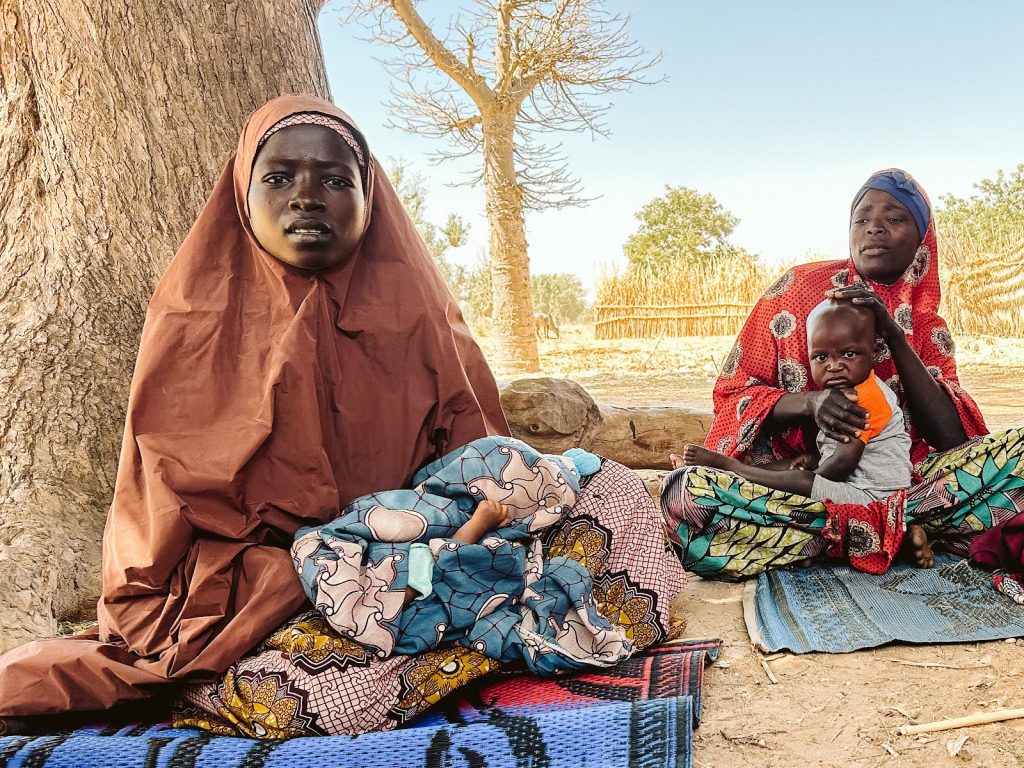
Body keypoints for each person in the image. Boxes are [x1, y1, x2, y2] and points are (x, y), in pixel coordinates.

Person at [0, 96, 685, 739]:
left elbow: (481, 464)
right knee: (310, 689)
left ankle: (461, 628)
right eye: (279, 177)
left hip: (421, 553)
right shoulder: (192, 322)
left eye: (334, 180)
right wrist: (325, 564)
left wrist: (456, 546)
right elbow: (154, 520)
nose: (306, 196)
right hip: (279, 591)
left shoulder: (418, 310)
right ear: (243, 195)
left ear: (369, 197)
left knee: (615, 491)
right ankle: (465, 640)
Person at [661, 168, 1024, 580]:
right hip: (801, 488)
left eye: (895, 218)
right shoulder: (795, 292)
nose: (875, 229)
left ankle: (846, 536)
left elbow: (952, 439)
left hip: (916, 491)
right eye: (863, 219)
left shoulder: (926, 328)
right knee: (686, 495)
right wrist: (809, 403)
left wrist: (892, 334)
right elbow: (733, 395)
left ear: (922, 241)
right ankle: (888, 535)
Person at [291, 437, 633, 674]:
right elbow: (430, 565)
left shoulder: (501, 529)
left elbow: (438, 563)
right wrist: (477, 523)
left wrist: (481, 527)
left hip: (407, 582)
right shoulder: (430, 507)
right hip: (383, 581)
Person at [672, 299, 912, 510]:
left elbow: (841, 464)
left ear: (875, 351)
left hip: (875, 498)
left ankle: (731, 468)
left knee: (801, 481)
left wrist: (810, 480)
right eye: (821, 357)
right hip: (855, 485)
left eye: (849, 354)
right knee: (791, 466)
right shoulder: (849, 390)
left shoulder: (866, 398)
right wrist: (813, 461)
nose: (834, 366)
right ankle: (713, 473)